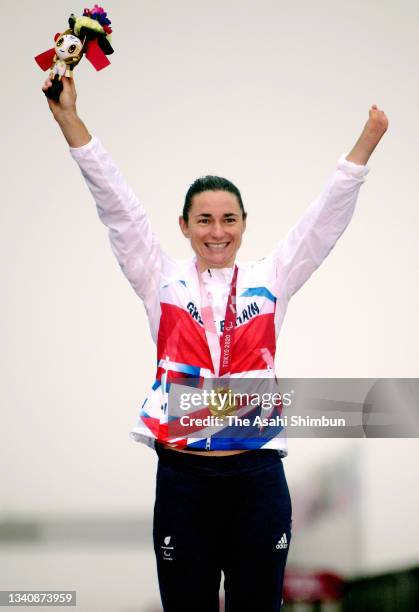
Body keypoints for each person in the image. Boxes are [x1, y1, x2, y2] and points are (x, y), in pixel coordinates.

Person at [42, 75, 388, 611]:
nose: (217, 231)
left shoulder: (272, 278)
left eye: (228, 219)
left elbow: (322, 223)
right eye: (204, 220)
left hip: (256, 476)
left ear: (244, 225)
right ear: (184, 226)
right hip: (184, 478)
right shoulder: (158, 277)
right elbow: (116, 205)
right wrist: (69, 121)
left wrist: (365, 146)